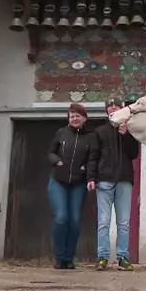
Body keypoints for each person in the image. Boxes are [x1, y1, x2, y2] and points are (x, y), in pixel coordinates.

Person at [88, 96, 141, 271]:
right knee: (103, 221)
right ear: (106, 110)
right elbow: (93, 156)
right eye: (109, 106)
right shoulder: (100, 131)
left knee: (123, 222)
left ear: (122, 109)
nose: (112, 108)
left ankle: (123, 258)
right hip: (104, 181)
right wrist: (91, 178)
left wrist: (126, 135)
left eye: (115, 105)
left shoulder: (130, 130)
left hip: (124, 180)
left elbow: (134, 154)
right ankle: (102, 258)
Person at [47, 103, 96, 269]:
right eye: (71, 116)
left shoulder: (91, 137)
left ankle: (69, 258)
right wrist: (57, 161)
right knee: (61, 218)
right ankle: (59, 258)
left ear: (84, 118)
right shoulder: (61, 133)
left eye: (77, 116)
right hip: (58, 181)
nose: (74, 119)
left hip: (78, 183)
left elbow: (92, 159)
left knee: (74, 221)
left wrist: (87, 173)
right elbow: (51, 152)